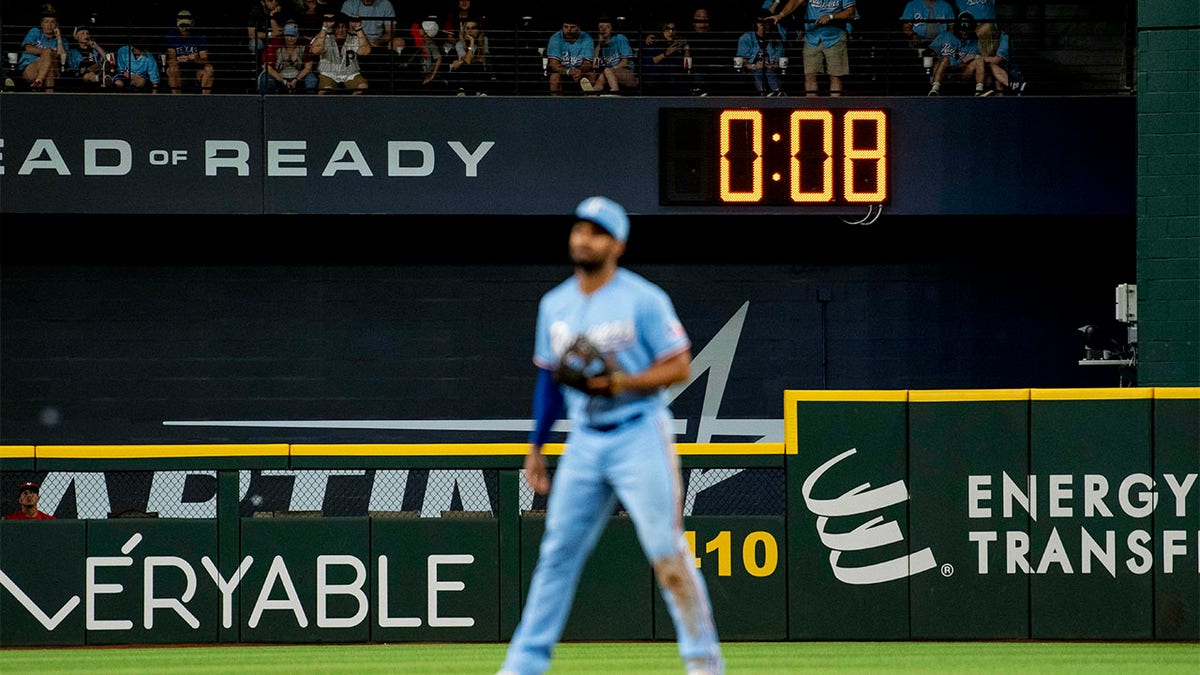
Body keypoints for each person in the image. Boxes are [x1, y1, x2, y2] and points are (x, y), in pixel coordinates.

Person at [496, 196, 723, 675]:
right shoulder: (553, 305)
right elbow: (548, 381)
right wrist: (536, 445)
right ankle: (523, 666)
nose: (583, 238)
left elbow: (680, 365)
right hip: (584, 439)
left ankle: (704, 665)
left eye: (596, 231)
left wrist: (622, 381)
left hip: (639, 430)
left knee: (665, 549)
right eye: (579, 228)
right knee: (556, 552)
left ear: (617, 244)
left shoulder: (643, 299)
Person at [769, 0, 857, 96]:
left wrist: (831, 16)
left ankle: (834, 107)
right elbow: (796, 1)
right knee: (810, 75)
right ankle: (812, 108)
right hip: (812, 38)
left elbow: (851, 12)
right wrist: (780, 15)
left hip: (835, 38)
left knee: (836, 76)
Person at [927, 11, 988, 96]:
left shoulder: (974, 43)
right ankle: (934, 90)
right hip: (943, 72)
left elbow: (965, 64)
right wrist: (934, 62)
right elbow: (931, 52)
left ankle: (979, 92)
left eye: (967, 30)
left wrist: (961, 63)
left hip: (960, 73)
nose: (964, 32)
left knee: (979, 61)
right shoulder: (945, 35)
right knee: (945, 59)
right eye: (962, 30)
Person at [311, 12, 371, 94]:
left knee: (362, 88)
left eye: (344, 27)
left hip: (350, 73)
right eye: (337, 27)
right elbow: (315, 50)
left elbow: (365, 52)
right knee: (325, 91)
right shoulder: (326, 36)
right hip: (328, 73)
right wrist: (324, 28)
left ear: (348, 28)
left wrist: (358, 28)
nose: (341, 30)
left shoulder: (353, 37)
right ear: (333, 28)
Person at [900, 0, 956, 80]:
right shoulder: (912, 5)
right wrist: (913, 34)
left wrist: (948, 40)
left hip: (940, 42)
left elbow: (952, 28)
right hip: (920, 42)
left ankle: (934, 82)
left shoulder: (946, 5)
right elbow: (906, 27)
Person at [260, 19, 317, 93]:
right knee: (265, 79)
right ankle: (268, 103)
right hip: (278, 75)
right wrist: (283, 81)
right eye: (287, 35)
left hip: (298, 75)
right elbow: (267, 67)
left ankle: (309, 103)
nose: (290, 39)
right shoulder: (275, 44)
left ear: (298, 35)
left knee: (312, 79)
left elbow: (308, 67)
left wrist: (296, 79)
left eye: (293, 36)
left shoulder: (304, 45)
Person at [18, 6, 66, 92]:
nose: (49, 25)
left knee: (50, 66)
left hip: (54, 69)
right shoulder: (35, 32)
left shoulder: (62, 40)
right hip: (31, 67)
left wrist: (58, 37)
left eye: (52, 22)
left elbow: (62, 57)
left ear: (56, 25)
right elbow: (28, 49)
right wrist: (47, 53)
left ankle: (38, 81)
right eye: (46, 22)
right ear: (42, 24)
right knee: (49, 61)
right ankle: (50, 100)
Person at [165, 10, 214, 94]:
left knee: (209, 69)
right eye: (181, 26)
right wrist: (178, 59)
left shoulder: (200, 36)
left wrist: (196, 59)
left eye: (186, 26)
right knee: (172, 69)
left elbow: (205, 59)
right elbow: (171, 59)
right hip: (180, 70)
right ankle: (176, 100)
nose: (184, 29)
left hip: (196, 70)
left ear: (192, 23)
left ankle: (205, 100)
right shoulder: (172, 35)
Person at [736, 13, 786, 96]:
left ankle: (777, 92)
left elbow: (780, 61)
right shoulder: (747, 37)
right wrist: (753, 66)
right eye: (760, 23)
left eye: (766, 23)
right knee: (758, 71)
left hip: (769, 69)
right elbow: (740, 59)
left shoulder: (776, 41)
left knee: (768, 71)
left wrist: (772, 65)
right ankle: (765, 93)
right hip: (751, 69)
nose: (763, 26)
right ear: (756, 24)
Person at [585, 16, 636, 95]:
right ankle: (593, 94)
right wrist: (599, 44)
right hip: (610, 74)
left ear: (612, 29)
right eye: (601, 27)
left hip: (627, 74)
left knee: (606, 71)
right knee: (601, 77)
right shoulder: (602, 45)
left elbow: (625, 62)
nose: (604, 29)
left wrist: (609, 70)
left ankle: (614, 92)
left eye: (607, 27)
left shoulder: (620, 38)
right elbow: (595, 64)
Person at [545, 17, 594, 96]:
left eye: (572, 27)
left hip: (580, 72)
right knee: (554, 78)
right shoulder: (555, 38)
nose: (569, 30)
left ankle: (589, 105)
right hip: (563, 73)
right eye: (566, 27)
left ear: (578, 28)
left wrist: (579, 71)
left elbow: (587, 63)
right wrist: (568, 72)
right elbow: (554, 65)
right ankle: (556, 106)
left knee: (592, 75)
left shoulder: (587, 38)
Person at [640, 20, 689, 96]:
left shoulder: (678, 44)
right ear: (662, 30)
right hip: (658, 78)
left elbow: (687, 66)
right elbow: (649, 62)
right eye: (667, 29)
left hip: (675, 80)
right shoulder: (653, 41)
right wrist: (666, 53)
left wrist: (686, 48)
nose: (671, 32)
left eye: (673, 29)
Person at [449, 18, 490, 96]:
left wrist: (463, 60)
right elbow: (467, 62)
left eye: (473, 28)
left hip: (479, 73)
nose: (470, 31)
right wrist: (471, 43)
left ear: (478, 30)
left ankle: (480, 92)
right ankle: (461, 91)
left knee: (478, 65)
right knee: (464, 66)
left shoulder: (484, 40)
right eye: (467, 28)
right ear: (464, 31)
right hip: (466, 74)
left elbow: (482, 59)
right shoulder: (459, 44)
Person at [64, 24, 108, 88]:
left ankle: (99, 78)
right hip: (81, 76)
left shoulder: (94, 50)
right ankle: (100, 79)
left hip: (96, 71)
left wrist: (97, 47)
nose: (86, 35)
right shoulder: (72, 52)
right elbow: (70, 69)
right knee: (88, 74)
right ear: (76, 37)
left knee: (96, 69)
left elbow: (106, 60)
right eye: (82, 33)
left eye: (87, 33)